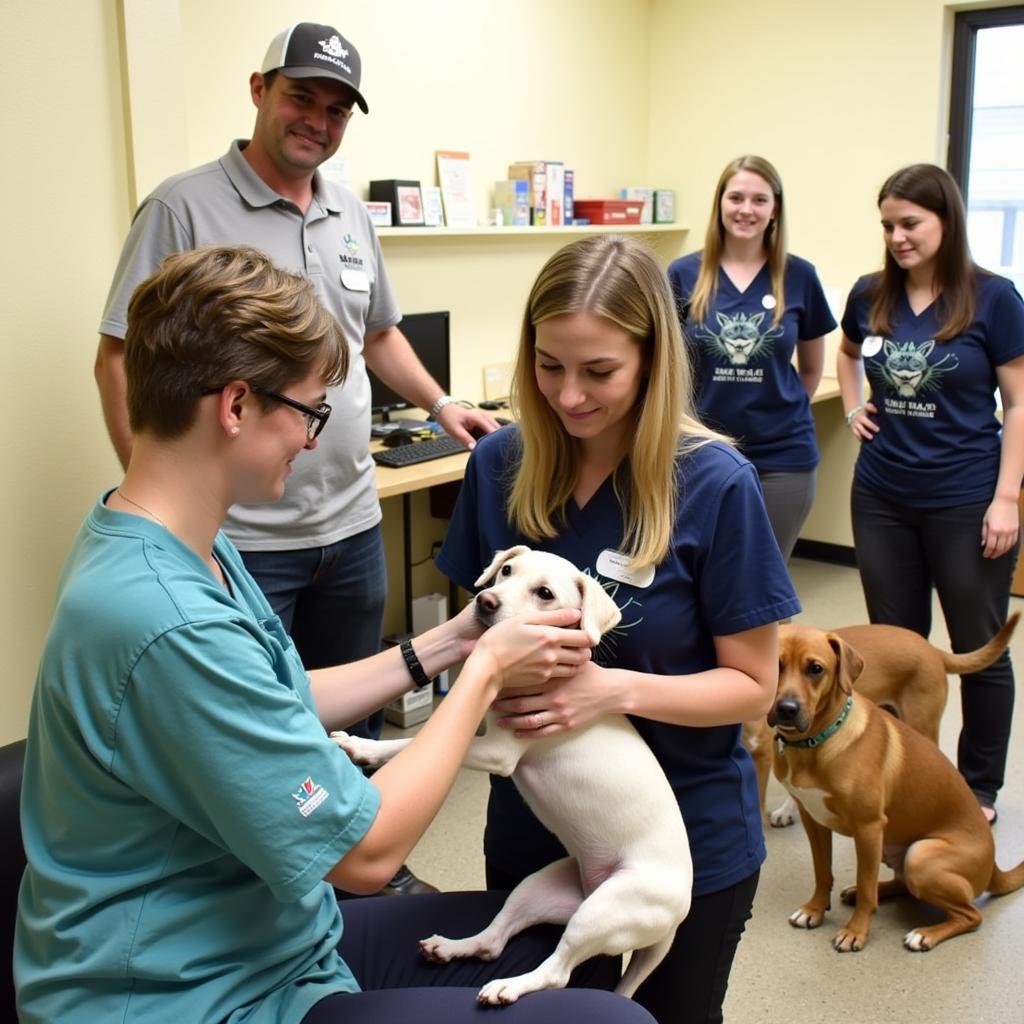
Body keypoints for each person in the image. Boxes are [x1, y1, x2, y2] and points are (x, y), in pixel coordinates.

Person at [14, 245, 657, 1024]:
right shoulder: (164, 619)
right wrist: (484, 674)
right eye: (311, 411)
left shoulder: (182, 540)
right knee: (613, 1018)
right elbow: (369, 855)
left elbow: (277, 697)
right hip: (190, 996)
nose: (314, 440)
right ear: (237, 406)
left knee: (548, 952)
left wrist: (452, 641)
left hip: (268, 939)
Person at [94, 20, 497, 896]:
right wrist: (175, 515)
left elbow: (378, 332)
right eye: (301, 96)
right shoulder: (183, 206)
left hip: (348, 521)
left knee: (326, 730)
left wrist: (439, 403)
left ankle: (341, 871)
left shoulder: (349, 209)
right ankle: (301, 876)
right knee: (253, 741)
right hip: (241, 539)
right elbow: (122, 356)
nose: (318, 119)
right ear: (258, 90)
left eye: (336, 108)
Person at [436, 235, 801, 1024]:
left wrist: (608, 691)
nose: (569, 396)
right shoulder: (499, 465)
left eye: (599, 371)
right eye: (549, 365)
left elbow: (752, 690)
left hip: (680, 846)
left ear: (651, 360)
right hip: (538, 828)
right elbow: (475, 636)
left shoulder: (714, 484)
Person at [836, 163, 1024, 825]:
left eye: (910, 223)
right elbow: (847, 352)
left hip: (967, 499)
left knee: (977, 645)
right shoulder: (870, 294)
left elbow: (1020, 401)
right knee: (895, 648)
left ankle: (977, 789)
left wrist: (1007, 498)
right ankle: (903, 775)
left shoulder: (994, 299)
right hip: (883, 496)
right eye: (887, 225)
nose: (897, 236)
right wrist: (854, 405)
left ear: (946, 219)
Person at [668, 155, 836, 563]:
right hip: (700, 451)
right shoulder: (683, 274)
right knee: (700, 573)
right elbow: (665, 364)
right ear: (720, 203)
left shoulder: (800, 276)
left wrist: (780, 410)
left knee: (766, 577)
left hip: (783, 458)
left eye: (759, 200)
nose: (746, 209)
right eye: (736, 197)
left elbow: (811, 368)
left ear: (775, 208)